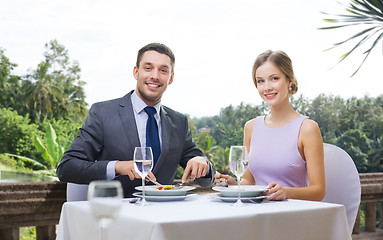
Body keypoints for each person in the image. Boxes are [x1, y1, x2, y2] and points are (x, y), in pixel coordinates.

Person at [57, 42, 215, 197]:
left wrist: (203, 164)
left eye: (163, 70)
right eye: (148, 68)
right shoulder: (103, 113)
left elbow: (205, 180)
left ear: (171, 78)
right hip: (113, 216)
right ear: (136, 72)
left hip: (163, 216)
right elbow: (67, 168)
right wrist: (117, 167)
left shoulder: (179, 122)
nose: (155, 76)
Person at [215, 50, 325, 201]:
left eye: (274, 78)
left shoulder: (307, 128)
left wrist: (286, 192)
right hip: (258, 213)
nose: (267, 87)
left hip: (294, 214)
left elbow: (318, 191)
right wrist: (233, 183)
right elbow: (249, 182)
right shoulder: (251, 127)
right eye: (260, 81)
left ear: (289, 80)